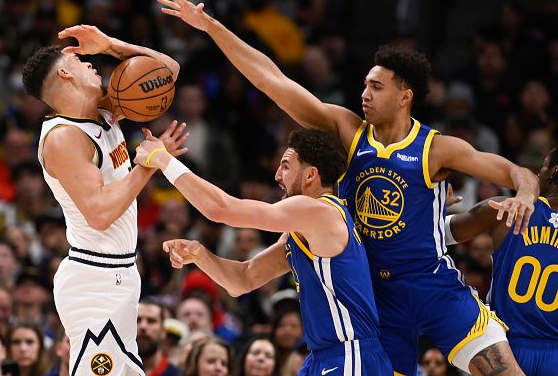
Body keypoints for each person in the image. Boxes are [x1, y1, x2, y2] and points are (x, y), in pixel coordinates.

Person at [156, 0, 538, 376]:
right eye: (365, 85)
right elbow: (272, 81)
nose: (364, 94)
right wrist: (211, 26)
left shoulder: (435, 149)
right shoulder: (348, 131)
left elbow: (514, 171)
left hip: (431, 286)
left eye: (376, 87)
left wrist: (524, 193)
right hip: (377, 300)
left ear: (405, 96)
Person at [135, 128, 393, 374]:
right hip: (323, 357)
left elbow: (221, 210)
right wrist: (201, 255)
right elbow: (244, 279)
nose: (277, 175)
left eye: (286, 166)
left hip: (351, 355)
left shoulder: (320, 211)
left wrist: (162, 160)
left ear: (311, 175)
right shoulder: (304, 230)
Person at [21, 24, 187, 376]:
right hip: (94, 281)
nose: (93, 63)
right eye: (84, 61)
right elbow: (99, 213)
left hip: (119, 273)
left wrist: (112, 45)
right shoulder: (64, 138)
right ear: (65, 70)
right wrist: (148, 164)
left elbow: (166, 72)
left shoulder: (103, 107)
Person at [446, 149, 558, 375]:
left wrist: (435, 208)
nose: (539, 174)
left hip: (503, 348)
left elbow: (436, 234)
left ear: (554, 172)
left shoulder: (506, 209)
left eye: (544, 167)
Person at [137, 298, 181, 376]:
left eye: (151, 321)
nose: (143, 326)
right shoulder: (115, 370)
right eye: (138, 320)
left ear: (163, 331)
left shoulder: (177, 374)